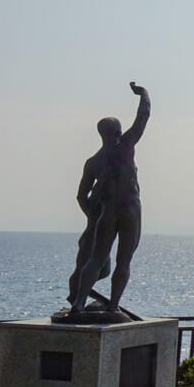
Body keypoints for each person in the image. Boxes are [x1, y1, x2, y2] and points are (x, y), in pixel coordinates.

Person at [68, 82, 150, 314]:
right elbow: (143, 117)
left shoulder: (93, 162)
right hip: (130, 210)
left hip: (107, 213)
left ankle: (79, 304)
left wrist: (93, 216)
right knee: (124, 260)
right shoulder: (125, 146)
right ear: (117, 133)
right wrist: (144, 94)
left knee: (96, 259)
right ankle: (113, 307)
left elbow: (81, 196)